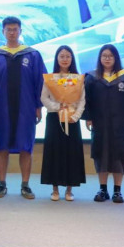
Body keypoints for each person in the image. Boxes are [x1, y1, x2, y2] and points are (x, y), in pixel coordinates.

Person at [0, 17, 46, 200]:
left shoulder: (32, 55)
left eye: (15, 29)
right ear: (3, 32)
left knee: (26, 147)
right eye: (8, 29)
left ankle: (25, 185)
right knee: (2, 146)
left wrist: (38, 107)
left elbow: (40, 82)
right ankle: (1, 183)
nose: (12, 32)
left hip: (26, 108)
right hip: (1, 108)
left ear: (20, 31)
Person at [83, 45, 124, 204]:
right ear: (100, 58)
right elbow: (86, 100)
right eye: (104, 55)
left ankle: (118, 190)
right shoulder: (92, 77)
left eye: (110, 56)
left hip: (120, 124)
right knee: (100, 154)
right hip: (100, 124)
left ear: (116, 58)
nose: (107, 58)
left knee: (119, 155)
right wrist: (88, 118)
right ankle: (102, 189)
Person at [40, 46, 86, 202]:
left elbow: (82, 99)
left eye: (68, 56)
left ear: (72, 58)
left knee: (71, 153)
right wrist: (58, 106)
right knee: (54, 152)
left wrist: (76, 116)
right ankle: (55, 189)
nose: (65, 59)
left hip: (72, 119)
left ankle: (69, 189)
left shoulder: (78, 78)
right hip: (54, 118)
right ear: (57, 59)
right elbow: (44, 98)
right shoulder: (50, 78)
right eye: (62, 56)